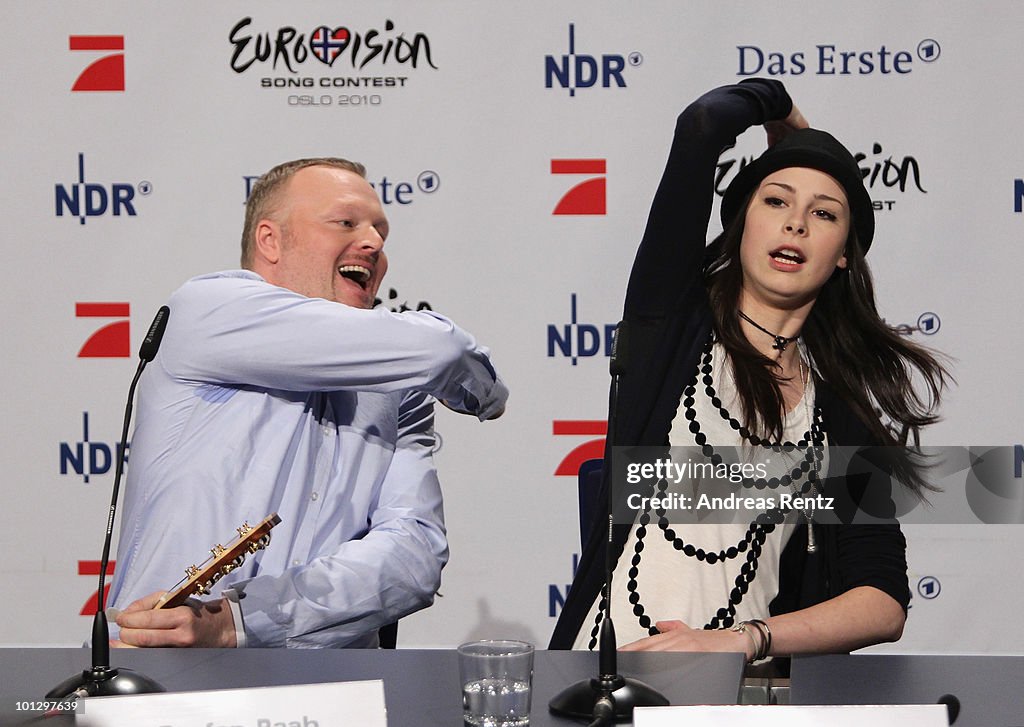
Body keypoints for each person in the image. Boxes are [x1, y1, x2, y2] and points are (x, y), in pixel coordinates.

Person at [549, 79, 949, 661]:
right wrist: (781, 110)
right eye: (776, 200)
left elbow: (882, 601)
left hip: (739, 690)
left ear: (843, 253)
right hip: (608, 672)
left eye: (824, 213)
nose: (796, 225)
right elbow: (702, 126)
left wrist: (743, 641)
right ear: (741, 223)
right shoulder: (674, 329)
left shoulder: (839, 409)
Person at [107, 157, 508, 648]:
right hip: (165, 680)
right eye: (346, 223)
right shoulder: (207, 311)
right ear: (270, 240)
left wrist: (240, 620)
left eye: (381, 230)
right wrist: (483, 392)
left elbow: (414, 554)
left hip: (332, 695)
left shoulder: (398, 387)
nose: (375, 243)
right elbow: (442, 350)